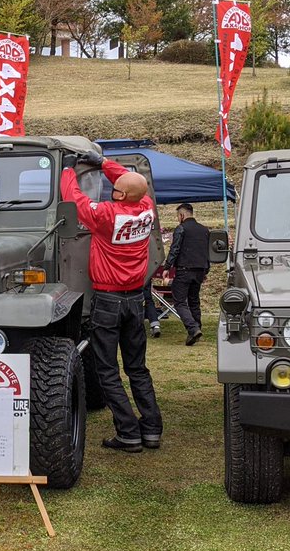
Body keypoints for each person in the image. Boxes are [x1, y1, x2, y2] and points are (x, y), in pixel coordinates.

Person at [61, 150, 163, 452]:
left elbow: (74, 198)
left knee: (107, 370)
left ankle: (128, 432)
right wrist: (104, 163)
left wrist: (69, 170)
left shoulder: (106, 215)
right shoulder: (146, 208)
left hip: (108, 301)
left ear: (121, 196)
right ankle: (152, 429)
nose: (112, 188)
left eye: (116, 189)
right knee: (137, 368)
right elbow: (128, 181)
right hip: (135, 301)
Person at [163, 203, 210, 345]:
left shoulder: (181, 228)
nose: (178, 219)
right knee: (194, 300)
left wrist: (167, 266)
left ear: (182, 215)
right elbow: (208, 252)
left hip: (184, 270)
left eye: (178, 216)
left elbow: (175, 248)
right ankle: (196, 329)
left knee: (179, 301)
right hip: (200, 270)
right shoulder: (204, 230)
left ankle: (192, 328)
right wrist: (205, 269)